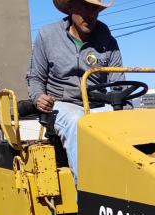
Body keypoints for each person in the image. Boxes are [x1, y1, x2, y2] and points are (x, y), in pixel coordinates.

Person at [27, 0, 124, 179]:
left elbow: (119, 84)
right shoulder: (47, 36)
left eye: (95, 9)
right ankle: (87, 189)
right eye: (85, 7)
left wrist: (126, 109)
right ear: (71, 8)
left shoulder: (108, 42)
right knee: (77, 121)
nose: (91, 14)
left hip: (97, 105)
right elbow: (35, 78)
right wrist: (38, 96)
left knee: (127, 121)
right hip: (61, 105)